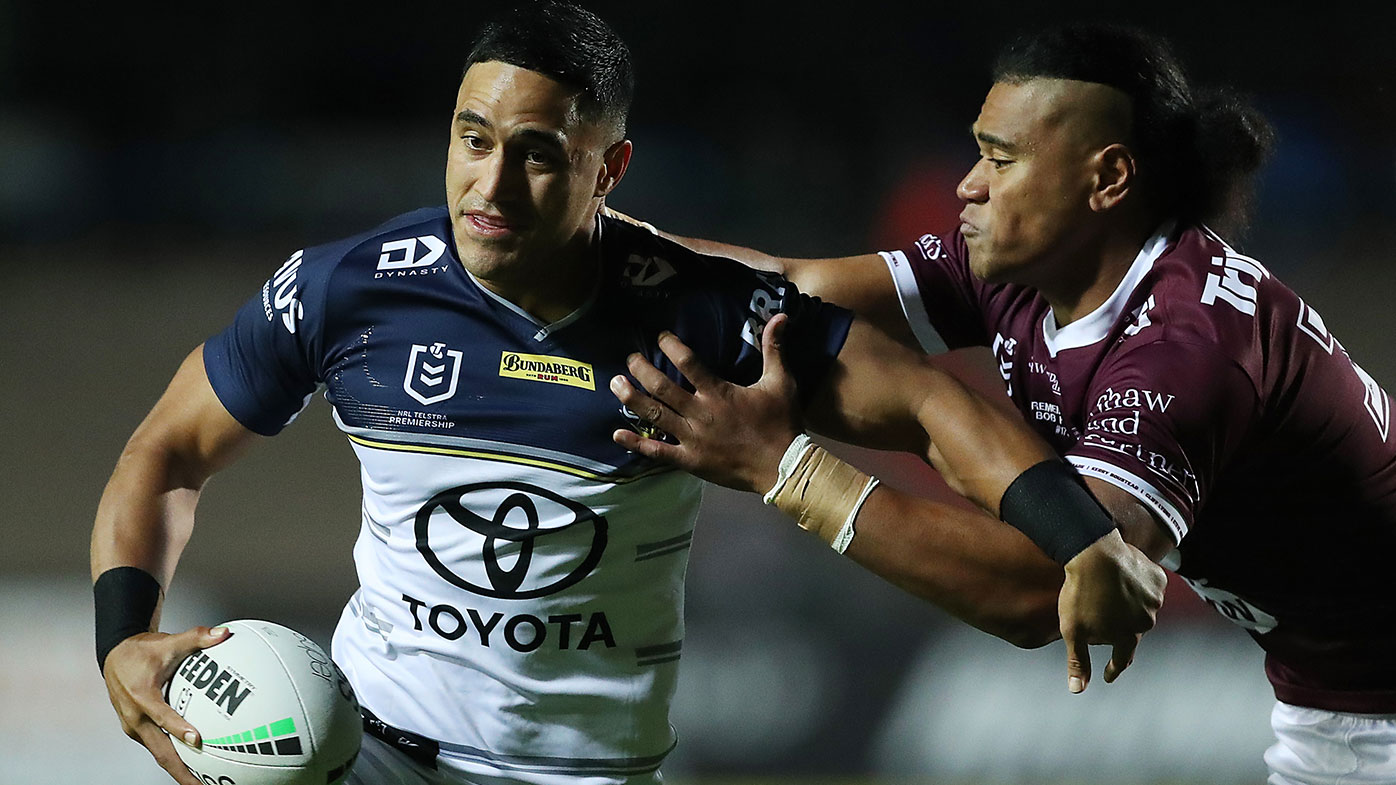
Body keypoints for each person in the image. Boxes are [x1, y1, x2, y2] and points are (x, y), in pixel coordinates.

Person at [90, 6, 1165, 785]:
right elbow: (166, 450)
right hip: (369, 748)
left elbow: (930, 405)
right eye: (472, 140)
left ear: (609, 169)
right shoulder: (347, 287)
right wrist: (121, 637)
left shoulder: (702, 312)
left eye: (536, 155)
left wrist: (1081, 538)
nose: (490, 186)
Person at [608, 23, 1396, 785]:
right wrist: (594, 244)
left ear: (1107, 179)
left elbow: (1046, 592)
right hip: (1336, 698)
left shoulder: (1182, 350)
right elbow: (788, 288)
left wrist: (785, 468)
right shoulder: (1027, 271)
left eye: (1001, 158)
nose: (969, 184)